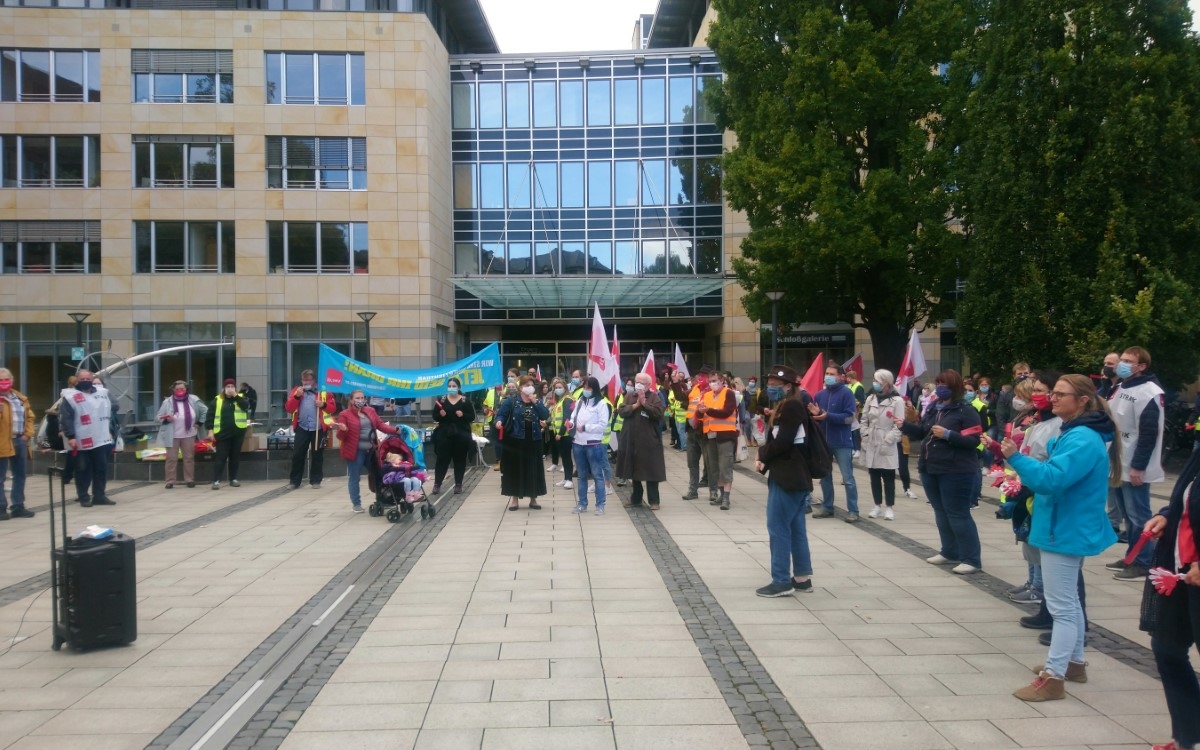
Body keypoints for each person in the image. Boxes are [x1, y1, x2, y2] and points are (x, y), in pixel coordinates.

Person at [1003, 375, 1120, 701]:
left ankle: (1053, 678)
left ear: (1082, 400)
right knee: (1067, 602)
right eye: (1052, 393)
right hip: (1065, 526)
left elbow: (1052, 479)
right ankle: (1074, 664)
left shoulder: (1082, 438)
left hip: (1064, 529)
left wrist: (1015, 457)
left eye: (1060, 394)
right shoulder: (1077, 433)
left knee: (1061, 607)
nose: (1052, 398)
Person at [1141, 449, 1200, 750]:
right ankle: (1188, 736)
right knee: (1167, 648)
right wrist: (1167, 516)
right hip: (1180, 571)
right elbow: (1188, 498)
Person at [901, 369, 983, 574]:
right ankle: (949, 551)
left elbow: (974, 441)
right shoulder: (934, 409)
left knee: (958, 513)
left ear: (955, 388)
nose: (940, 388)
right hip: (931, 467)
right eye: (938, 384)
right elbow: (922, 432)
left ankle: (971, 558)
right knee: (941, 512)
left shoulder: (966, 411)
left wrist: (948, 434)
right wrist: (905, 425)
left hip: (957, 470)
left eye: (944, 385)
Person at [754, 365, 820, 597]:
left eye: (774, 385)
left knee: (778, 527)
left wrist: (762, 454)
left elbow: (784, 442)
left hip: (789, 476)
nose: (770, 389)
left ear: (788, 386)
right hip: (792, 474)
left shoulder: (791, 405)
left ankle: (781, 580)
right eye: (769, 385)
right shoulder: (787, 404)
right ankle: (802, 578)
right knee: (795, 528)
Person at [1106, 346, 1166, 581]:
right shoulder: (1120, 386)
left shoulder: (1150, 392)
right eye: (1121, 359)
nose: (1122, 363)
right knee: (1126, 513)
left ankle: (1143, 560)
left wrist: (1139, 466)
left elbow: (1149, 433)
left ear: (1142, 366)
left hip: (1134, 464)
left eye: (1129, 361)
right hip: (1118, 461)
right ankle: (1132, 554)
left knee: (1138, 514)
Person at [59, 370, 117, 507]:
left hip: (101, 438)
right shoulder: (71, 397)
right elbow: (66, 418)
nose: (85, 380)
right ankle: (83, 496)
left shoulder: (102, 393)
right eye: (82, 378)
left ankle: (99, 495)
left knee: (101, 469)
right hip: (81, 439)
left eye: (88, 378)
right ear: (77, 380)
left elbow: (115, 405)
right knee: (83, 469)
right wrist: (70, 436)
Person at [335, 388, 398, 513]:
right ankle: (356, 504)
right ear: (351, 400)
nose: (360, 400)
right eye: (357, 398)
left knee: (379, 474)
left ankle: (381, 499)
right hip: (355, 451)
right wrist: (343, 429)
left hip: (371, 450)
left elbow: (381, 425)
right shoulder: (344, 414)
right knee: (355, 477)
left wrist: (395, 430)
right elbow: (340, 437)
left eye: (362, 398)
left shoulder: (370, 411)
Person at [813, 363, 860, 521]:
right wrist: (816, 417)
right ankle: (827, 507)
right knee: (825, 477)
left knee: (848, 478)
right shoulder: (820, 395)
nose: (828, 376)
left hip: (841, 442)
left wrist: (828, 416)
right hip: (824, 442)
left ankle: (853, 510)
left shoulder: (846, 393)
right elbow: (816, 416)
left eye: (832, 374)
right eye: (827, 373)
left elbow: (849, 418)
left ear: (841, 377)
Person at [496, 375, 550, 511]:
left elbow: (545, 415)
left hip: (533, 440)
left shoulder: (536, 401)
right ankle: (514, 500)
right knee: (515, 470)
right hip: (515, 439)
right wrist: (499, 421)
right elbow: (501, 414)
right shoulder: (511, 401)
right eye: (526, 385)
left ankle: (533, 498)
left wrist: (535, 402)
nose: (529, 387)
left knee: (533, 470)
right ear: (520, 388)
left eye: (531, 385)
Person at [615, 372, 667, 509]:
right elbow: (621, 411)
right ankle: (636, 499)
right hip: (631, 440)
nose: (638, 384)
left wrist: (645, 404)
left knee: (651, 471)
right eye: (637, 381)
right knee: (634, 471)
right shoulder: (629, 396)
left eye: (642, 383)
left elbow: (659, 414)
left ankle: (654, 501)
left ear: (649, 385)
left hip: (649, 441)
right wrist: (635, 405)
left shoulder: (654, 397)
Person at [860, 369, 903, 520]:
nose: (875, 383)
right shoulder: (870, 398)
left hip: (886, 440)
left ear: (886, 382)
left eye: (878, 381)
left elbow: (899, 424)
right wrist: (864, 434)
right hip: (871, 439)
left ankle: (889, 507)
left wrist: (889, 439)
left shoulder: (897, 401)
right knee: (874, 475)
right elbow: (864, 418)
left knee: (888, 475)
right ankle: (877, 505)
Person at [285, 369, 336, 490]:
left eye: (308, 380)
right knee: (298, 454)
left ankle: (316, 480)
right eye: (304, 380)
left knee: (317, 454)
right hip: (302, 427)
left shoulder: (323, 392)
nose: (306, 382)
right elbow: (288, 408)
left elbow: (332, 408)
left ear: (314, 381)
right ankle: (294, 481)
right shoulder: (296, 391)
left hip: (318, 428)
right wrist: (296, 397)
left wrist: (323, 405)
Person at [566, 376, 609, 514]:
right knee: (581, 475)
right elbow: (573, 417)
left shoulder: (601, 404)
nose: (586, 390)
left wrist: (585, 427)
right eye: (584, 388)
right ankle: (582, 504)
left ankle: (600, 504)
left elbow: (602, 425)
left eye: (588, 388)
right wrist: (571, 424)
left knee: (597, 475)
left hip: (593, 443)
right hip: (578, 443)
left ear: (594, 389)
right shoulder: (579, 402)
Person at [156, 380, 209, 489]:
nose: (180, 391)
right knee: (171, 458)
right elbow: (157, 418)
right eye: (177, 389)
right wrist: (167, 419)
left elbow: (206, 410)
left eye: (182, 388)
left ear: (186, 389)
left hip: (189, 434)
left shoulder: (193, 399)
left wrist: (199, 423)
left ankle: (189, 480)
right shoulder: (167, 402)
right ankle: (170, 481)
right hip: (172, 435)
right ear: (173, 390)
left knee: (189, 457)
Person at [699, 369, 739, 510]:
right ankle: (721, 495)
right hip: (710, 435)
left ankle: (726, 498)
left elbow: (726, 412)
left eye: (715, 380)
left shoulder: (729, 393)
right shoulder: (707, 395)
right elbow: (702, 413)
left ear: (722, 381)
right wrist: (700, 411)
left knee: (725, 466)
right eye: (710, 381)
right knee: (714, 467)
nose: (712, 383)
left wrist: (707, 410)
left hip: (725, 435)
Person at [0, 368, 35, 520]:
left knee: (20, 475)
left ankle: (18, 506)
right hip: (2, 441)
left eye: (6, 379)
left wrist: (28, 434)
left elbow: (30, 417)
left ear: (12, 381)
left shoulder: (20, 398)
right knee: (0, 477)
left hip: (19, 440)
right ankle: (1, 507)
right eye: (1, 380)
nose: (4, 383)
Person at [431, 377, 475, 495]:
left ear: (459, 387)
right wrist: (440, 414)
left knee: (459, 459)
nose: (451, 388)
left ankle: (458, 484)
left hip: (461, 434)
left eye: (454, 386)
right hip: (444, 434)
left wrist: (463, 414)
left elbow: (472, 417)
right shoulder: (442, 400)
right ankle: (437, 484)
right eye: (449, 386)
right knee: (442, 459)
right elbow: (435, 416)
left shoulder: (465, 400)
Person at [207, 378, 249, 490]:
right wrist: (210, 430)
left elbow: (246, 406)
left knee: (235, 456)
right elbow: (210, 416)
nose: (230, 389)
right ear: (224, 388)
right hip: (222, 433)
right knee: (221, 457)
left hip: (238, 432)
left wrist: (235, 396)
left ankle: (233, 478)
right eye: (228, 387)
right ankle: (216, 480)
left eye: (232, 387)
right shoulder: (217, 400)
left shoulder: (240, 398)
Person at [681, 366, 713, 500]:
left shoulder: (713, 392)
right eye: (700, 375)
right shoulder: (694, 389)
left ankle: (713, 491)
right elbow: (682, 398)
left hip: (705, 431)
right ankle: (693, 490)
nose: (701, 378)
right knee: (692, 463)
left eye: (704, 376)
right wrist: (676, 383)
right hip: (692, 430)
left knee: (710, 463)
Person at [548, 378, 576, 490]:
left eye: (560, 387)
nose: (558, 389)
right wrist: (546, 422)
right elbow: (555, 418)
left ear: (565, 388)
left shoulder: (567, 400)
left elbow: (566, 418)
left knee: (567, 457)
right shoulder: (560, 401)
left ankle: (569, 480)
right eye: (556, 388)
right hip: (559, 434)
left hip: (565, 434)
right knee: (564, 457)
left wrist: (560, 433)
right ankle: (566, 478)